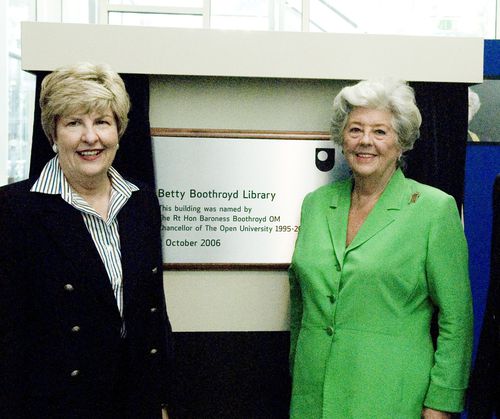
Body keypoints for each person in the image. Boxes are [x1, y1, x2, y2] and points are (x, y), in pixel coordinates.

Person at [288, 79, 473, 418]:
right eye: (355, 129)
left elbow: (457, 318)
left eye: (380, 132)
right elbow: (300, 303)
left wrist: (442, 402)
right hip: (313, 394)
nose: (365, 141)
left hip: (392, 394)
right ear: (342, 138)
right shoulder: (315, 204)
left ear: (401, 143)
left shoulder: (433, 209)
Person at [0, 62, 174, 418]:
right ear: (53, 133)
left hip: (133, 401)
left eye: (102, 122)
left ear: (119, 131)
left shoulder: (142, 203)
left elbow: (153, 314)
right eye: (74, 122)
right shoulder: (14, 210)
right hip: (55, 404)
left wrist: (162, 400)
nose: (90, 137)